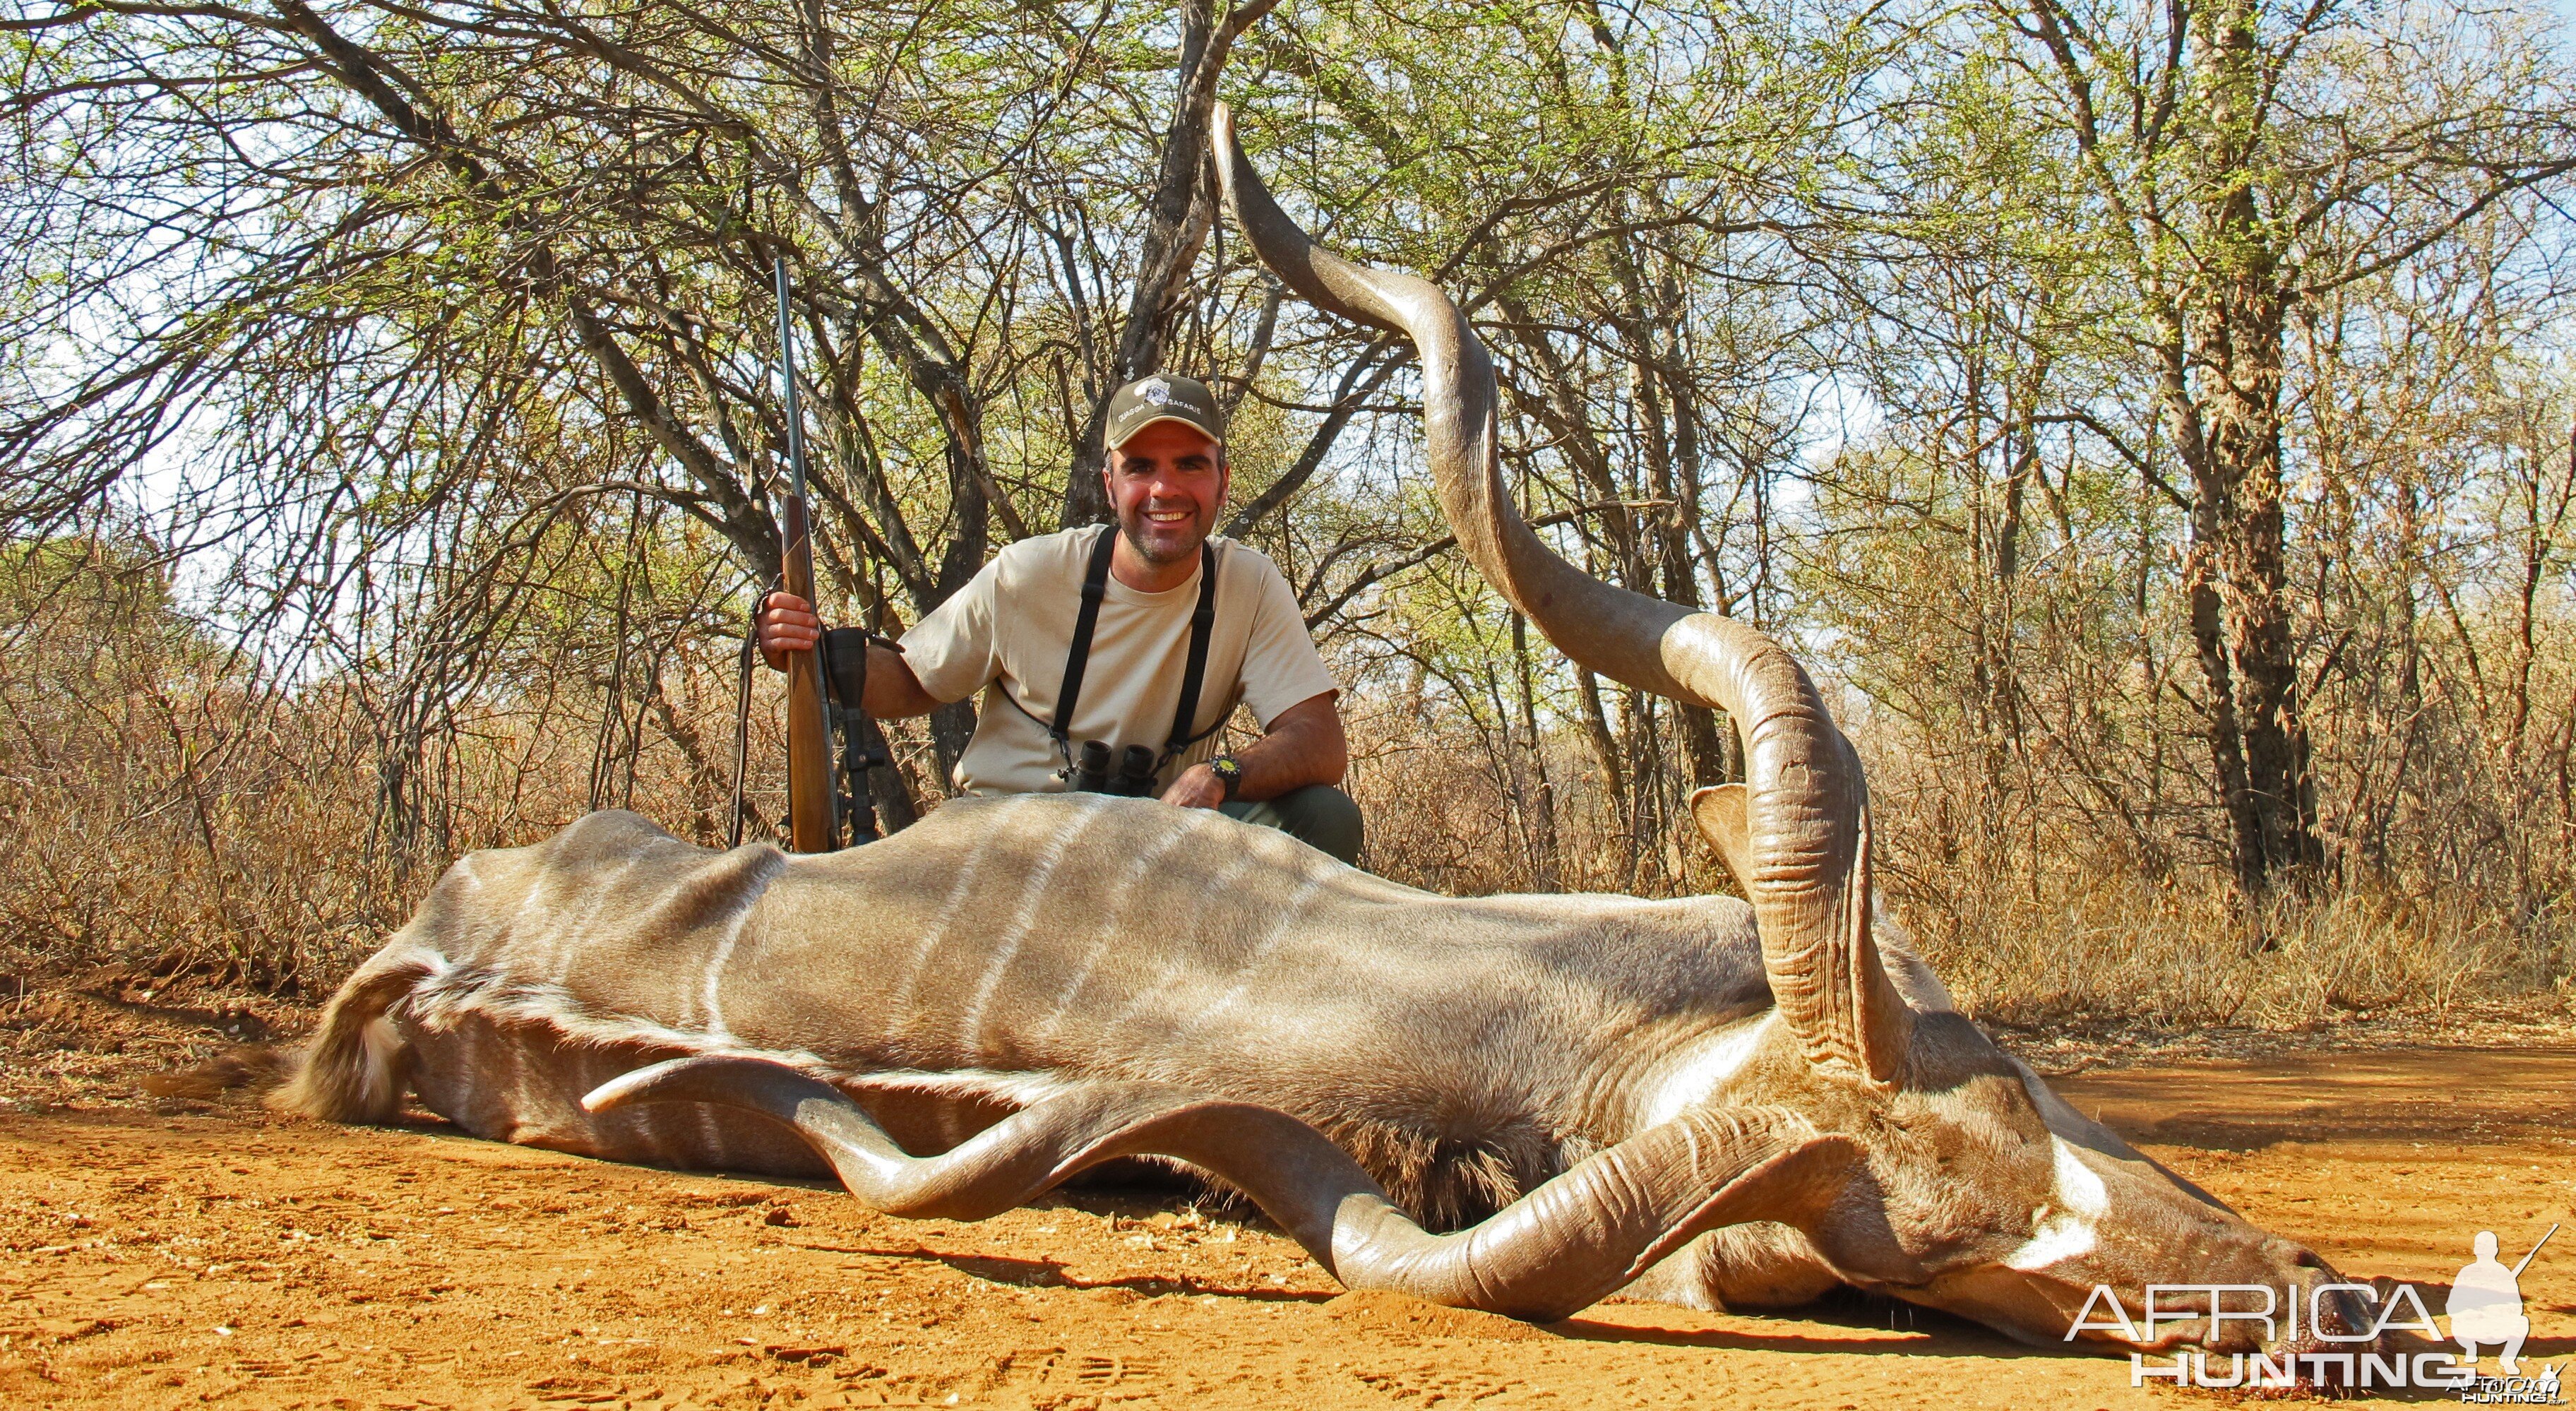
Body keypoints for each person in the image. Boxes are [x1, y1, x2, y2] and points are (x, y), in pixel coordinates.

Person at [757, 373, 1364, 864]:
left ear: (1223, 481)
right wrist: (815, 650)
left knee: (1325, 817)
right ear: (1109, 484)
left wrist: (1223, 774)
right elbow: (916, 680)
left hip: (1153, 845)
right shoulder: (1030, 572)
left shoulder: (1249, 583)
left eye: (1189, 465)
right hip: (1010, 839)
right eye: (1141, 467)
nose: (1164, 489)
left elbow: (1319, 741)